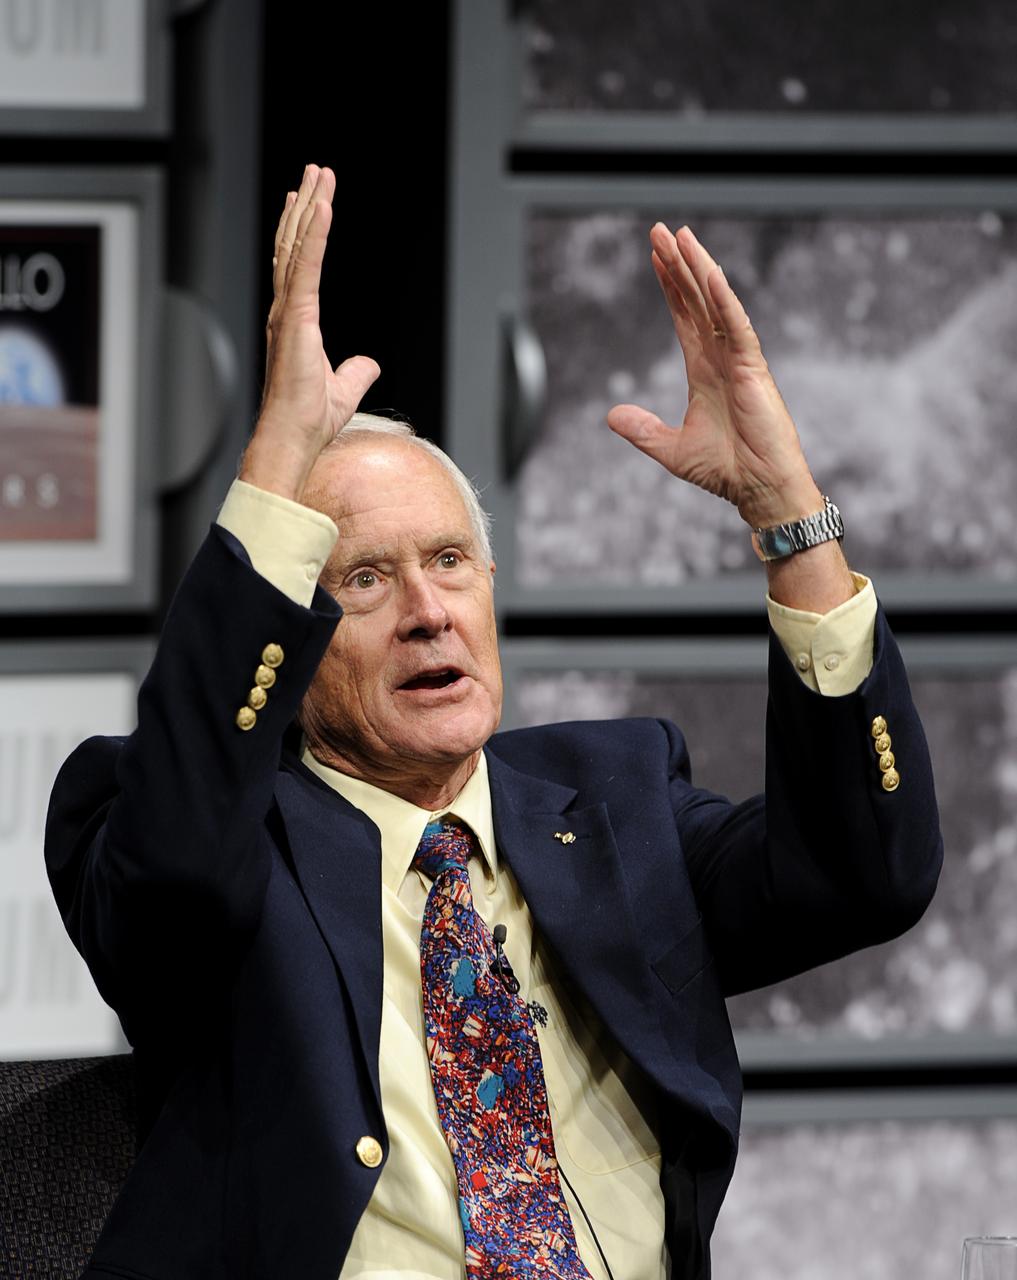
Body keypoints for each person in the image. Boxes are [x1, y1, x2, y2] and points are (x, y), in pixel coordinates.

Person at [46, 164, 942, 1280]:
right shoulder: (219, 843)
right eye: (363, 580)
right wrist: (274, 471)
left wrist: (787, 513)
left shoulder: (612, 800)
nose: (429, 612)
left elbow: (867, 874)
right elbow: (176, 862)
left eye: (451, 561)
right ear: (292, 629)